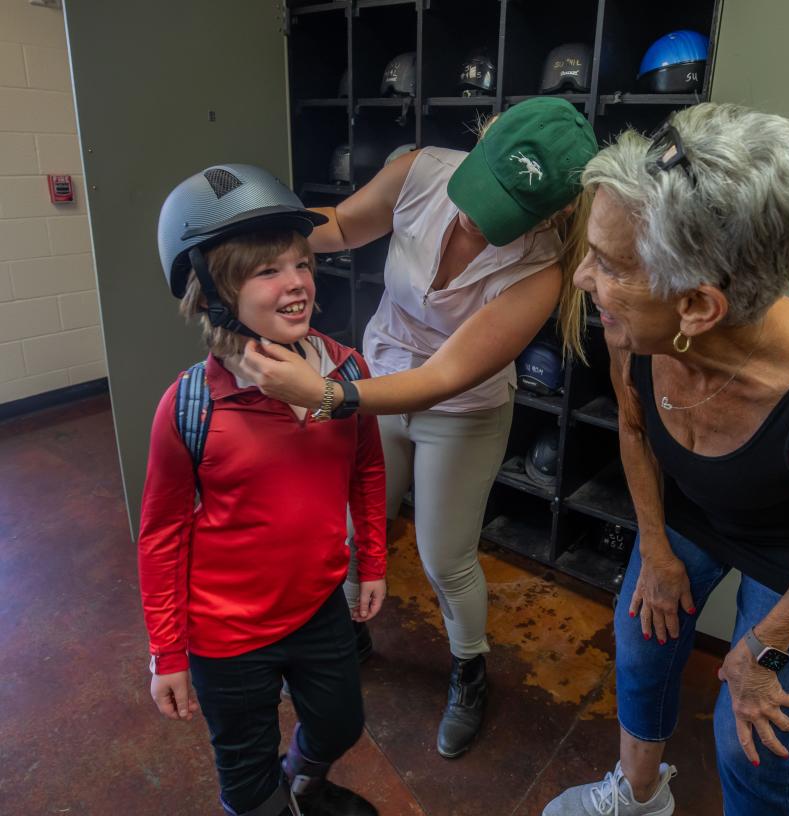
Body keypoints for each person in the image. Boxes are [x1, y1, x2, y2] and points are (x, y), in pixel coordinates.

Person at [542, 103, 789, 816]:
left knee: (749, 731)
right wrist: (657, 546)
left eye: (607, 265)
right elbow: (636, 431)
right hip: (694, 512)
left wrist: (763, 649)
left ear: (698, 307)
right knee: (640, 639)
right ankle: (639, 795)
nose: (582, 279)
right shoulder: (629, 330)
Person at [237, 96, 599, 758]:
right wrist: (258, 228)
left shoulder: (544, 270)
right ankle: (349, 636)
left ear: (555, 213)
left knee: (444, 555)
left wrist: (321, 393)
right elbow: (342, 227)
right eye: (477, 191)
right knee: (351, 531)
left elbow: (443, 378)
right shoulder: (421, 171)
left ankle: (469, 671)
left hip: (458, 409)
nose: (471, 217)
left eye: (501, 216)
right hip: (378, 374)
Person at [140, 164, 387, 816]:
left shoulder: (344, 372)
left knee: (340, 724)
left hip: (318, 608)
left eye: (301, 263)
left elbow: (365, 468)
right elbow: (161, 537)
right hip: (226, 636)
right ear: (215, 295)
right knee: (250, 787)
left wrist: (374, 563)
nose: (297, 284)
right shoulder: (188, 406)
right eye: (266, 271)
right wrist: (167, 651)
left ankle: (303, 783)